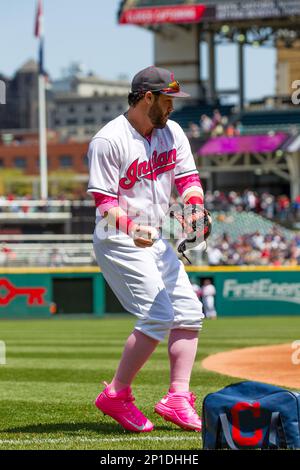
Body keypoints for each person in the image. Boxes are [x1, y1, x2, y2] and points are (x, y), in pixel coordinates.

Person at [87, 66, 205, 433]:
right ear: (147, 97)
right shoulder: (108, 140)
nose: (172, 107)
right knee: (159, 315)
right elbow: (104, 203)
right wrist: (130, 226)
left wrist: (195, 207)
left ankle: (177, 398)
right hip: (118, 237)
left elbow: (188, 179)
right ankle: (116, 394)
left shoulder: (173, 133)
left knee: (189, 313)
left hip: (155, 236)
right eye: (167, 99)